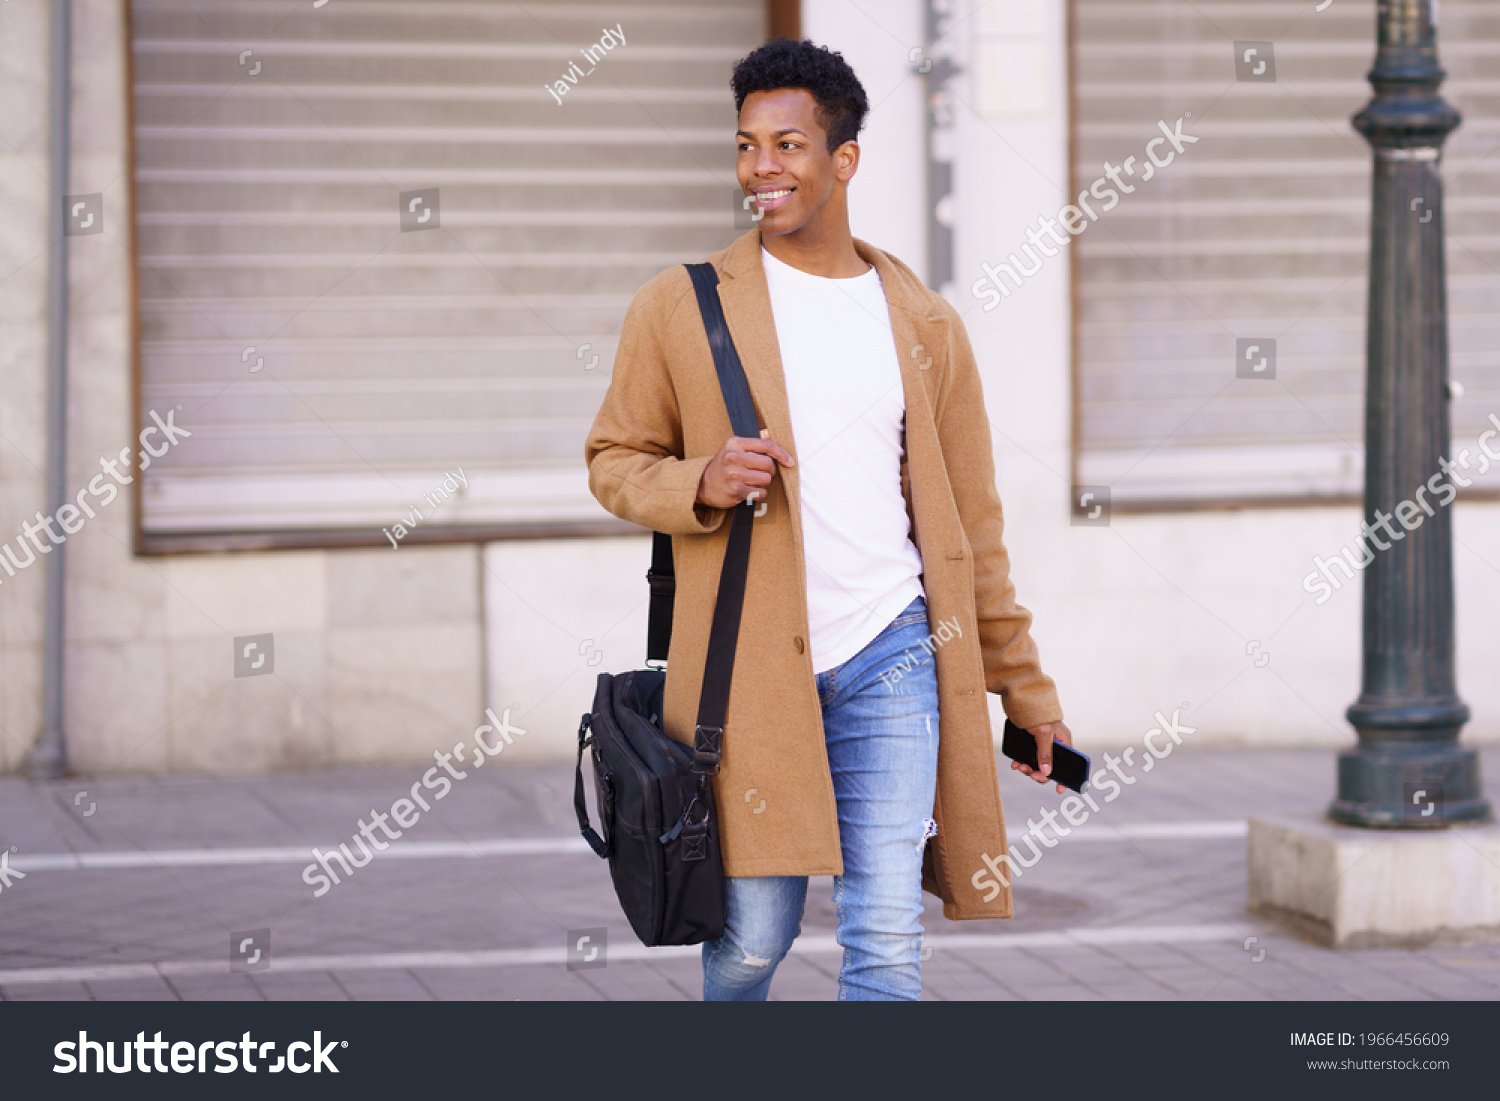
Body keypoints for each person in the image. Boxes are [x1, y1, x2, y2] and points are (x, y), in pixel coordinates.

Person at [585, 37, 1071, 1001]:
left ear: (844, 159)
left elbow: (971, 532)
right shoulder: (680, 306)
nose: (761, 168)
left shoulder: (925, 326)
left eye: (788, 144)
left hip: (893, 652)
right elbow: (614, 459)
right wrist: (700, 481)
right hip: (748, 668)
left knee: (886, 940)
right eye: (745, 146)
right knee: (756, 937)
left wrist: (1027, 693)